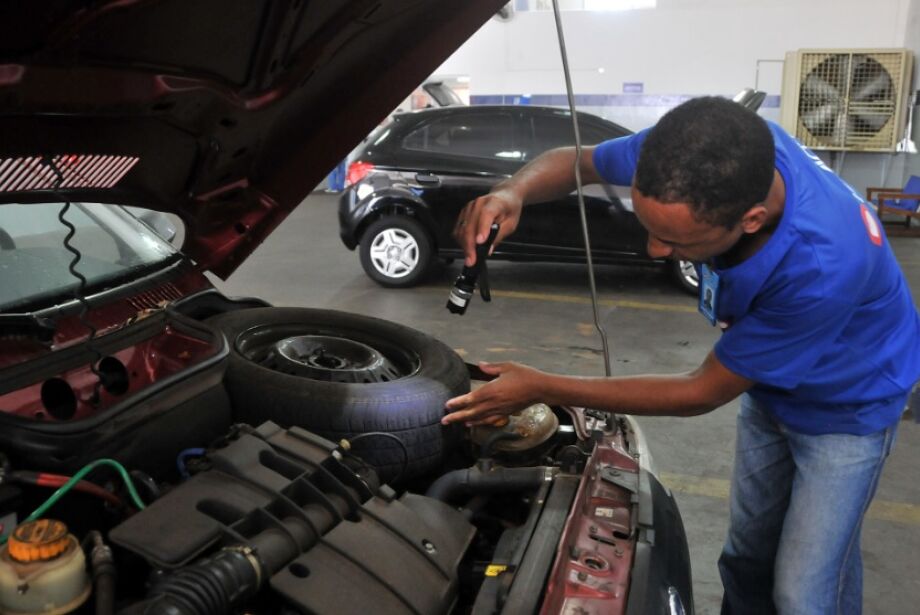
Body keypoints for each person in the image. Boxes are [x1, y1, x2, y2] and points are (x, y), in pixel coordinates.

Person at [441, 96, 920, 614]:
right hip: (770, 386)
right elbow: (576, 161)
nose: (653, 250)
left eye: (673, 240)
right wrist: (512, 192)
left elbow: (702, 390)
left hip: (848, 408)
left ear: (752, 220)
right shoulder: (694, 154)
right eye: (650, 228)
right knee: (745, 561)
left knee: (803, 593)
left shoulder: (823, 266)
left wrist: (543, 385)